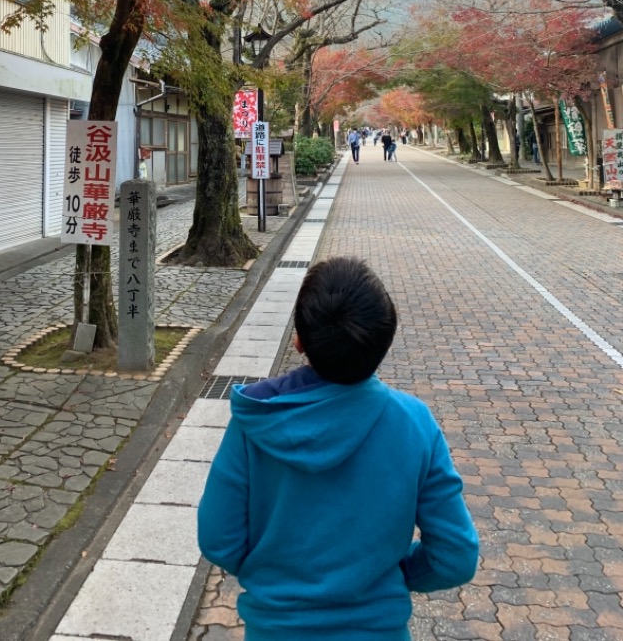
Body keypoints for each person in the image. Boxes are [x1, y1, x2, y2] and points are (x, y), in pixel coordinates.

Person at [198, 257, 479, 641]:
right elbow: (456, 556)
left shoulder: (255, 422)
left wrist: (273, 579)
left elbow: (218, 538)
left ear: (298, 340)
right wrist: (396, 575)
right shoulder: (415, 424)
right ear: (384, 340)